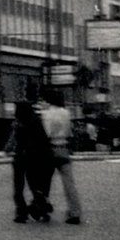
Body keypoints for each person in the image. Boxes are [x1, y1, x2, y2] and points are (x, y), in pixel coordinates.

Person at [38, 91, 85, 225]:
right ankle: (75, 212)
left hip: (50, 149)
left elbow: (46, 133)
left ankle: (43, 207)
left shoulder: (46, 114)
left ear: (48, 101)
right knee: (69, 183)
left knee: (44, 181)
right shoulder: (66, 113)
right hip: (63, 148)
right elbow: (70, 132)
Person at [7, 99, 52, 223]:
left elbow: (13, 140)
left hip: (20, 156)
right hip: (34, 157)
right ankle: (41, 208)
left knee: (18, 186)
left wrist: (7, 149)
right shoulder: (36, 121)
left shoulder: (17, 123)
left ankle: (21, 212)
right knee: (34, 184)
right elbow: (43, 140)